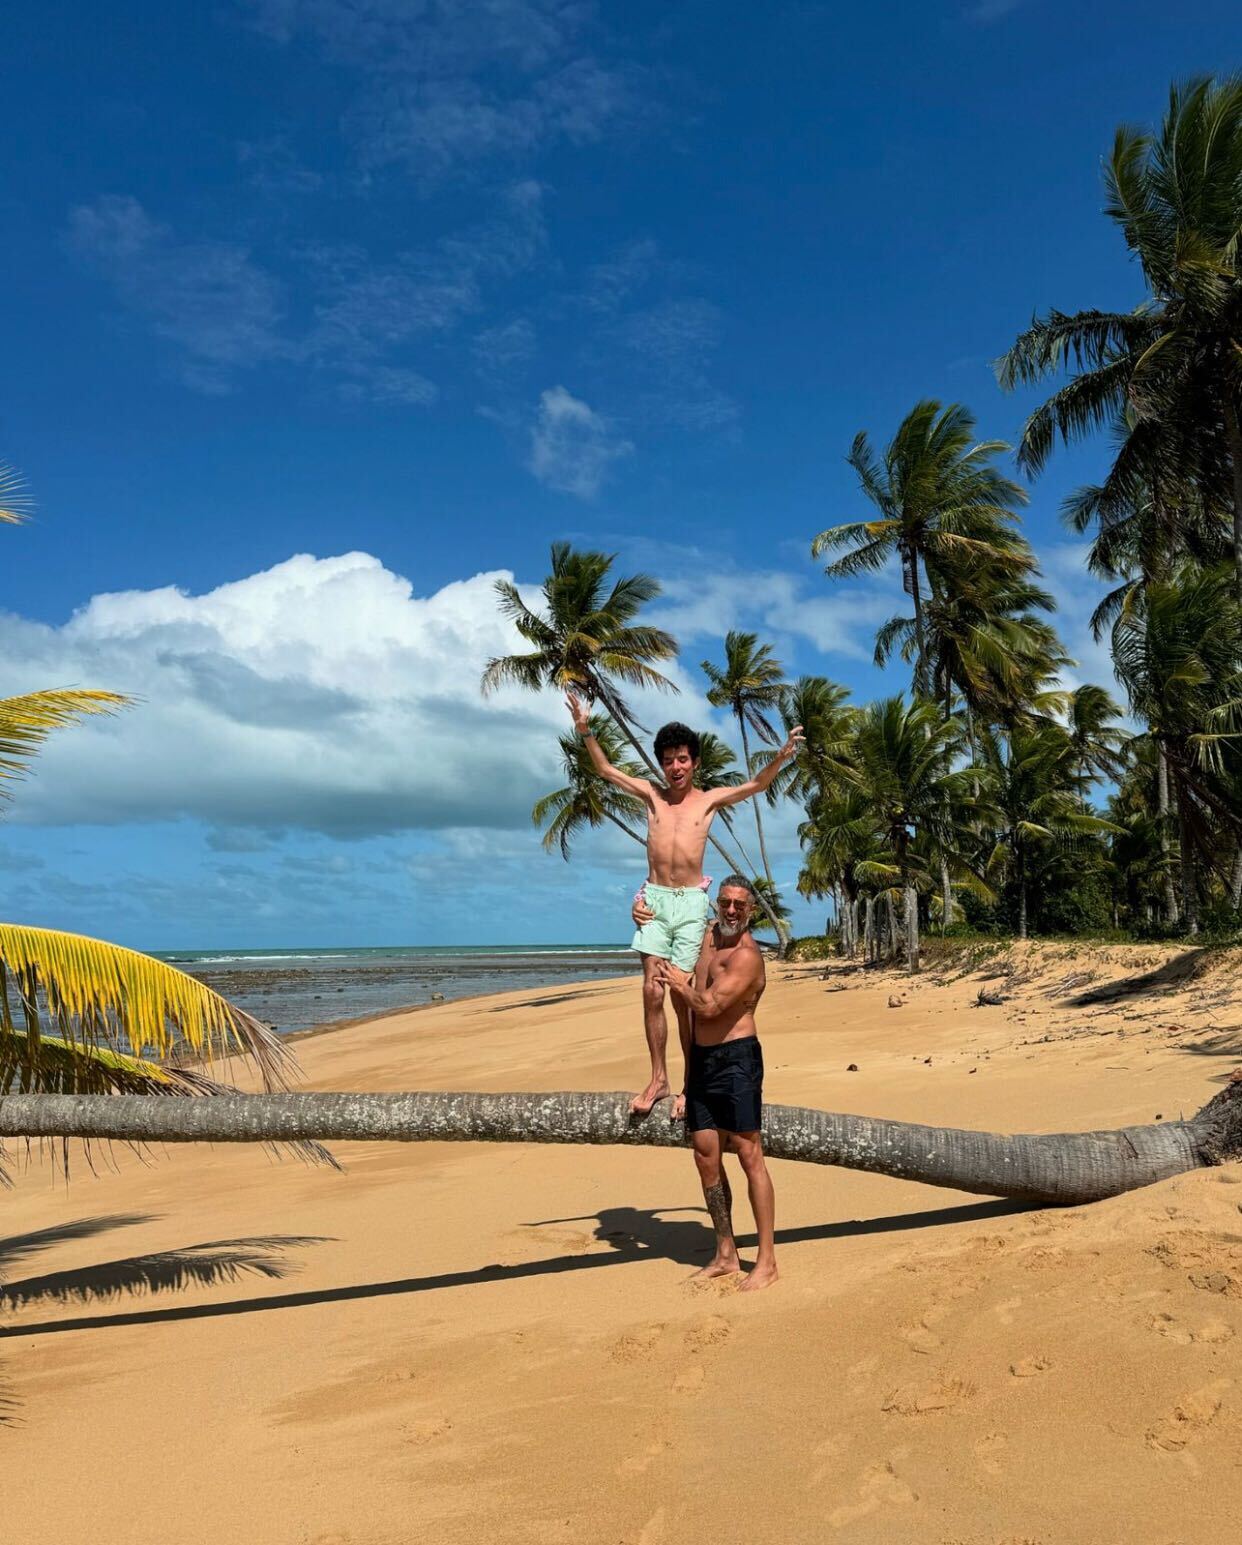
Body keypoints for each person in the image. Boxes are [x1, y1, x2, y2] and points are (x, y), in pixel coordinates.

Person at [566, 691, 802, 1114]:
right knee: (650, 992)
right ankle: (659, 1078)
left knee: (681, 996)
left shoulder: (708, 801)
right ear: (661, 764)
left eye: (683, 759)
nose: (676, 767)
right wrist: (585, 728)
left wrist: (781, 755)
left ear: (694, 762)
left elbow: (756, 784)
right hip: (655, 901)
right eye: (669, 760)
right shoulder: (651, 796)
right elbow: (604, 768)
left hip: (692, 903)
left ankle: (692, 1084)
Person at [657, 875, 776, 1291]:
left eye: (738, 906)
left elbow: (708, 1007)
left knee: (748, 1153)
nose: (729, 910)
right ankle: (725, 1252)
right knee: (706, 1154)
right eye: (724, 902)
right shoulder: (705, 936)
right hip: (704, 1061)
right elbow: (661, 921)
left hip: (737, 1059)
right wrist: (641, 908)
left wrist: (677, 983)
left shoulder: (747, 957)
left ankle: (766, 1261)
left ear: (750, 912)